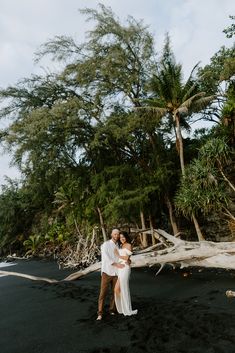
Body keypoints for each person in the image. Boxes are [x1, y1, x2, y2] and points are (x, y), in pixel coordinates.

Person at [96, 228, 125, 321]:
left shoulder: (119, 245)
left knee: (115, 292)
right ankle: (100, 313)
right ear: (111, 234)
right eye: (115, 234)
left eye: (118, 234)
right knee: (103, 293)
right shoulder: (105, 245)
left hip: (117, 272)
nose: (116, 236)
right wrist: (117, 264)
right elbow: (106, 258)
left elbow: (121, 257)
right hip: (107, 272)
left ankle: (112, 309)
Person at [114, 231, 138, 316]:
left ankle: (127, 309)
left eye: (123, 237)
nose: (122, 238)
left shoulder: (128, 245)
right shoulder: (120, 245)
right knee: (116, 289)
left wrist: (118, 255)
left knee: (124, 288)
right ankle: (124, 307)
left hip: (125, 268)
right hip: (120, 268)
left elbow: (127, 257)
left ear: (126, 237)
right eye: (120, 237)